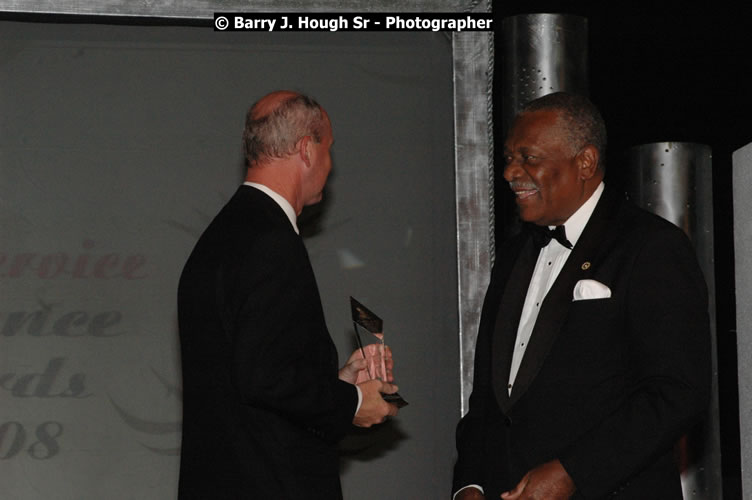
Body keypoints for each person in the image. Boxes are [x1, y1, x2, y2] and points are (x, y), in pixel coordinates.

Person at [452, 92, 711, 499]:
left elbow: (676, 392)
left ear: (585, 162)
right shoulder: (514, 255)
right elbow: (488, 400)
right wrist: (470, 483)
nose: (509, 173)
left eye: (528, 158)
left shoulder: (650, 246)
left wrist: (573, 472)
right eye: (508, 158)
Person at [177, 90, 400, 499]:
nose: (331, 166)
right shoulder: (271, 241)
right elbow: (264, 378)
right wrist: (350, 401)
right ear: (306, 150)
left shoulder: (219, 238)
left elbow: (250, 377)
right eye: (329, 149)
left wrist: (336, 383)